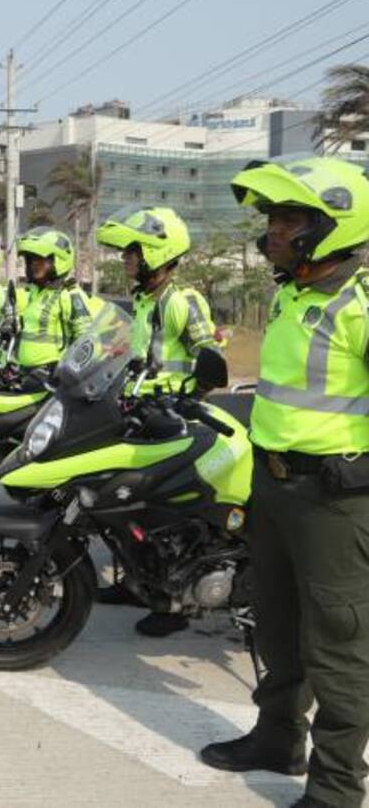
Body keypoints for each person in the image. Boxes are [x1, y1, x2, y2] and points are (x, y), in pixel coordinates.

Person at [201, 156, 369, 808]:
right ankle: (277, 738)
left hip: (336, 500)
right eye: (271, 217)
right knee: (273, 626)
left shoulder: (358, 304)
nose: (273, 229)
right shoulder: (289, 293)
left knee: (339, 646)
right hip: (272, 485)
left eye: (289, 217)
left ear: (332, 224)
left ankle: (334, 789)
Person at [95, 205, 221, 637]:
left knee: (163, 514)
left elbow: (209, 357)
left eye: (132, 252)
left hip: (172, 420)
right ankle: (135, 583)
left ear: (155, 252)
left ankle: (172, 604)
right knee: (127, 504)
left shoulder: (183, 301)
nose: (126, 259)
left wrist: (189, 396)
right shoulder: (143, 301)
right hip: (140, 413)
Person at [15, 227, 93, 371]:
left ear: (58, 259)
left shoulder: (70, 294)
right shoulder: (35, 292)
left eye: (40, 258)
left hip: (52, 374)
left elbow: (85, 340)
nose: (34, 264)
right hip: (26, 373)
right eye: (31, 259)